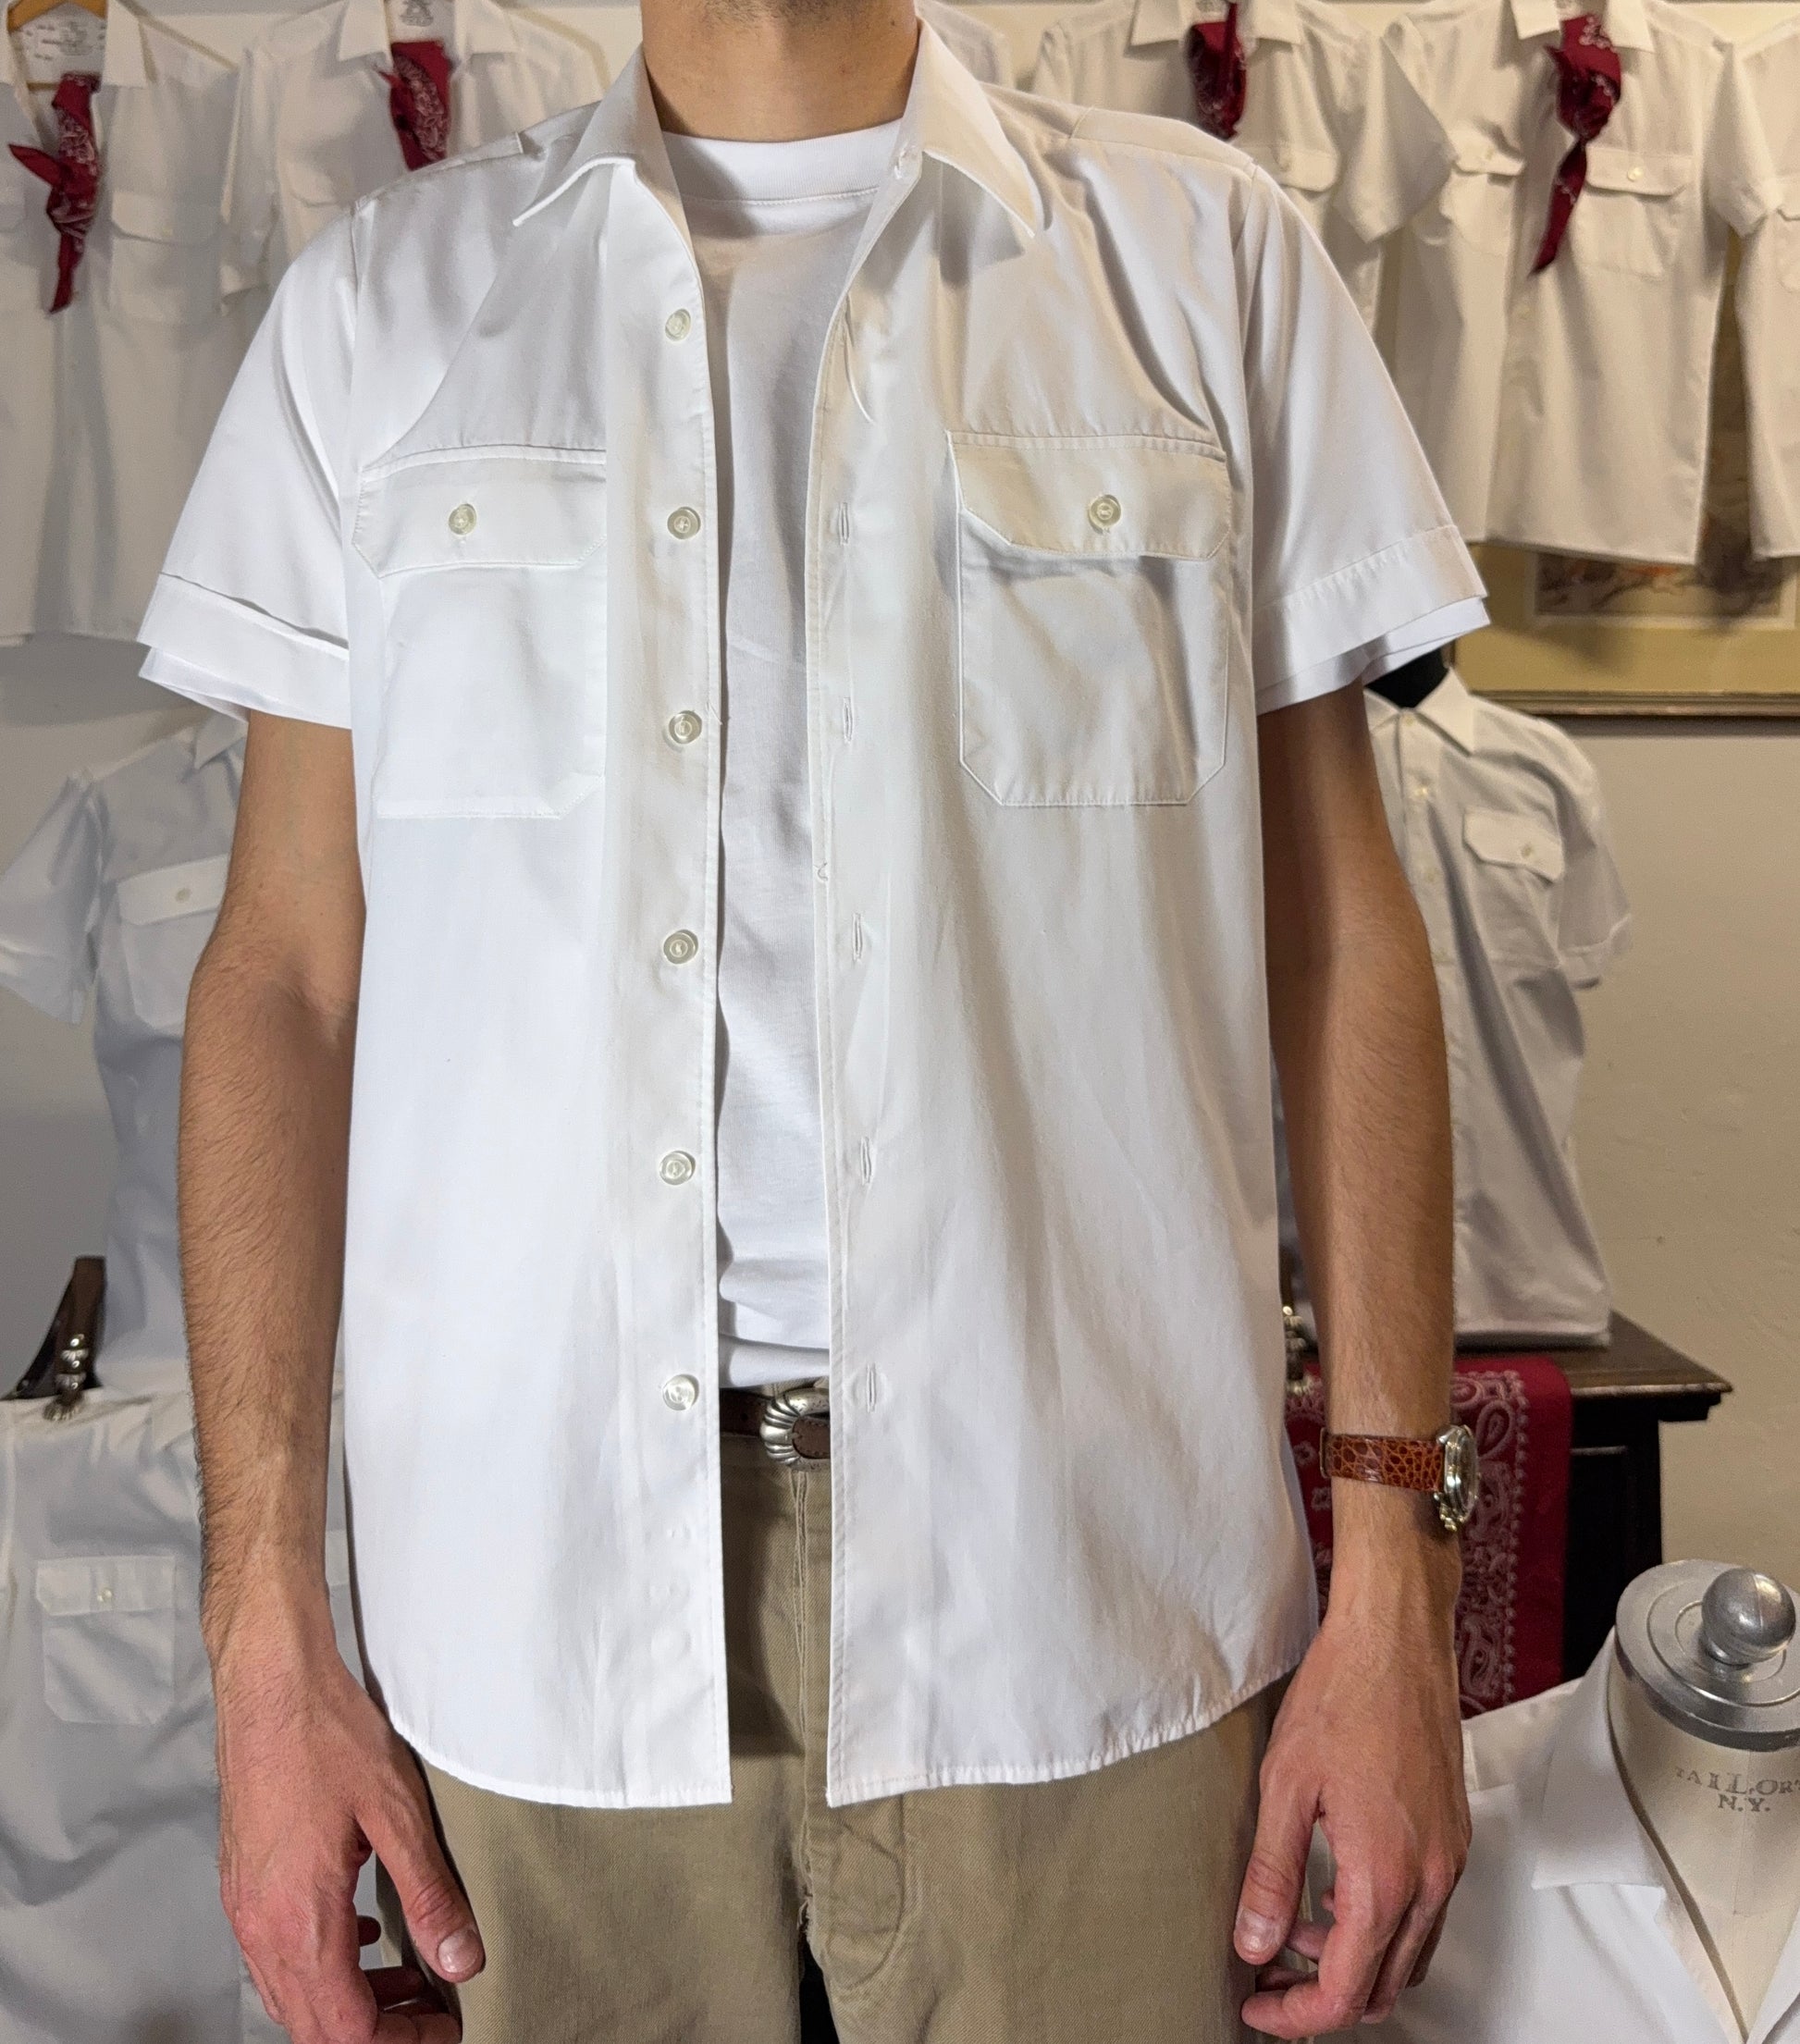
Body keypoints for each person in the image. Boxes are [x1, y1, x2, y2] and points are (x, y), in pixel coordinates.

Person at [138, 0, 1490, 2036]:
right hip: (526, 1606)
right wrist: (262, 1646)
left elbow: (1341, 940)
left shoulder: (1199, 260)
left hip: (1087, 1582)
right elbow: (283, 982)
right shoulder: (380, 311)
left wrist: (1397, 1583)